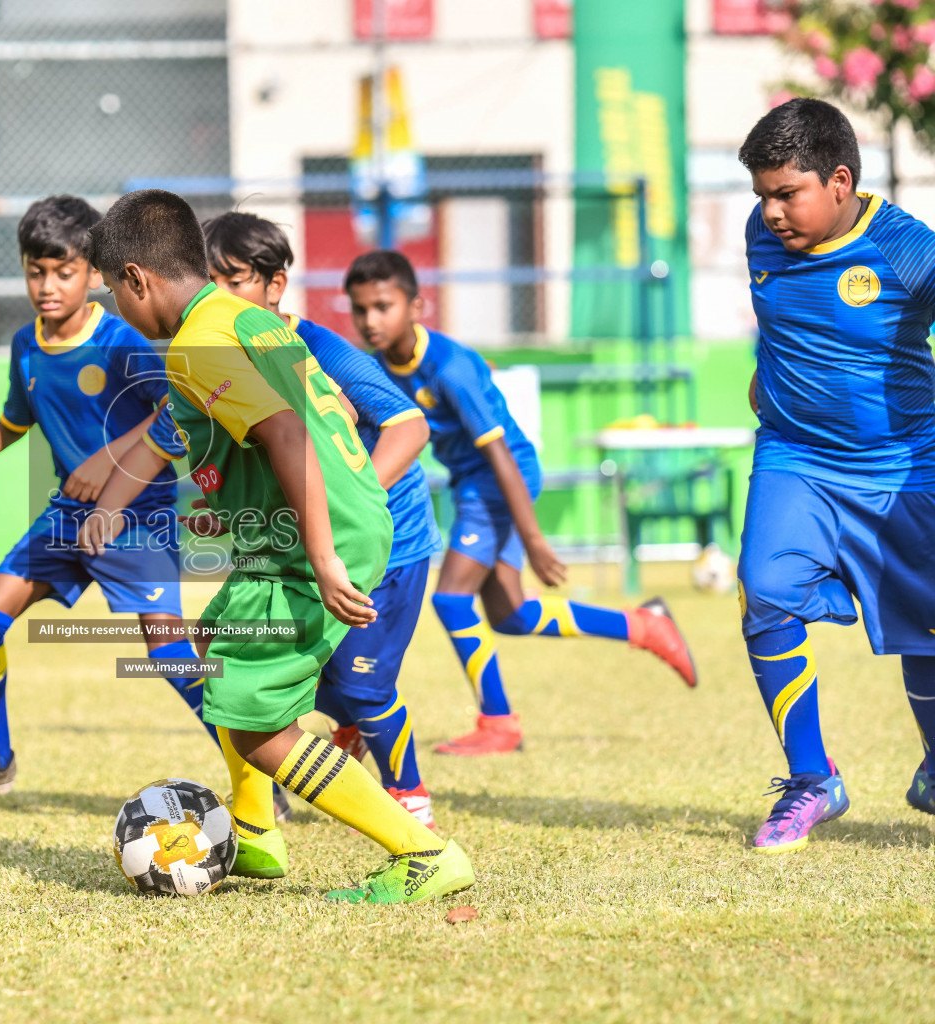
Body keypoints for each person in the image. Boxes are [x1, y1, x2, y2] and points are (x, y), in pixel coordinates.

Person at [80, 189, 475, 905]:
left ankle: (423, 852)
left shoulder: (198, 344)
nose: (117, 309)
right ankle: (257, 833)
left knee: (263, 730)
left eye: (112, 293)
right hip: (323, 522)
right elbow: (332, 412)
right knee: (219, 654)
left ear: (137, 278)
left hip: (313, 542)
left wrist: (323, 557)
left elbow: (288, 434)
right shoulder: (246, 320)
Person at [0, 195, 211, 803]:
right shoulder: (26, 345)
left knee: (168, 651)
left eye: (63, 271)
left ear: (94, 273)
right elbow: (13, 423)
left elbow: (178, 412)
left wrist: (108, 460)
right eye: (35, 271)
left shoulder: (124, 340)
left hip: (138, 518)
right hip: (68, 517)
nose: (47, 285)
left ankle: (255, 765)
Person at [345, 251, 696, 756]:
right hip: (471, 479)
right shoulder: (376, 366)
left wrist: (533, 538)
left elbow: (502, 454)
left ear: (417, 305)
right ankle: (644, 626)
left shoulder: (450, 367)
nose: (370, 320)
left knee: (450, 599)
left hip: (498, 476)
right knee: (511, 614)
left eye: (383, 306)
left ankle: (498, 722)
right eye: (360, 310)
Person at [735, 99, 935, 852]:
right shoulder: (760, 233)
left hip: (903, 469)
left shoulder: (909, 252)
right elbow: (782, 325)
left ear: (841, 181)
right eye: (763, 195)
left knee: (929, 625)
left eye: (788, 192)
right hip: (796, 458)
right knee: (765, 590)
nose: (772, 211)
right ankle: (812, 780)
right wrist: (773, 386)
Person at [199, 211, 439, 828]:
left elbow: (410, 426)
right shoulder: (220, 353)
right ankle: (263, 812)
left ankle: (410, 801)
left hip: (386, 541)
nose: (219, 298)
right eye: (210, 283)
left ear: (275, 285)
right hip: (311, 542)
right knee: (290, 670)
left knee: (361, 685)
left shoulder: (320, 348)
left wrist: (343, 500)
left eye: (235, 282)